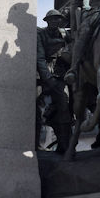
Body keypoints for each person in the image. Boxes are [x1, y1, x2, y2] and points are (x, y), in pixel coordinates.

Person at [36, 10, 72, 153]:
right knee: (36, 110)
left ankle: (65, 146)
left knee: (65, 107)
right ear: (47, 21)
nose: (55, 22)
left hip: (60, 75)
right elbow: (40, 58)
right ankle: (35, 144)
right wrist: (47, 78)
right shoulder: (40, 35)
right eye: (52, 19)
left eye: (58, 19)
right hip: (42, 77)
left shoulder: (65, 34)